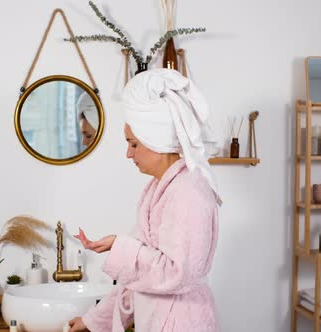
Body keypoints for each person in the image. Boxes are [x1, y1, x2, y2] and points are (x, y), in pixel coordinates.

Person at [68, 68, 221, 332]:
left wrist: (120, 246)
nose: (128, 154)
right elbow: (136, 277)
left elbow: (178, 273)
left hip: (182, 322)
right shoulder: (158, 188)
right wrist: (91, 320)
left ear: (156, 139)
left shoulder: (189, 192)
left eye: (133, 144)